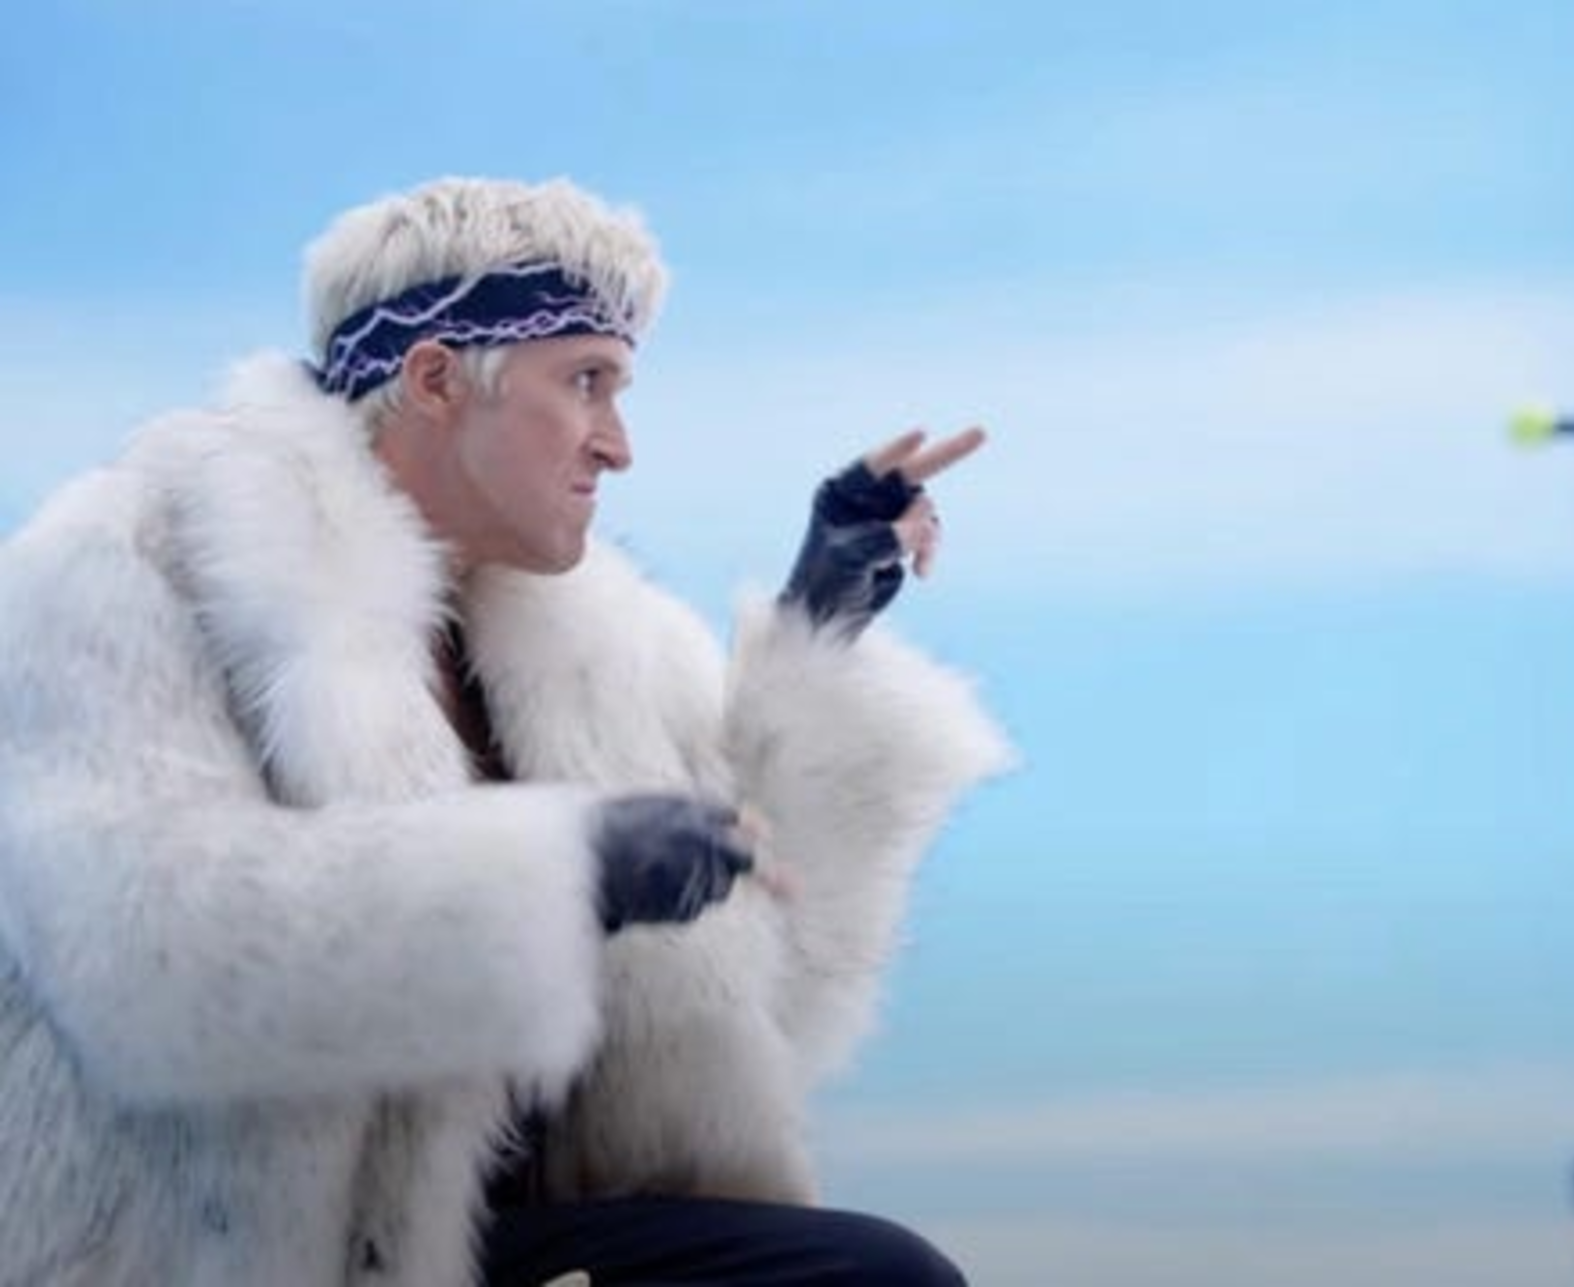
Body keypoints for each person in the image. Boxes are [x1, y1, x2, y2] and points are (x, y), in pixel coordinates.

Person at [0, 177, 1012, 1285]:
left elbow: (755, 1011)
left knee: (872, 1276)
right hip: (228, 1255)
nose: (617, 445)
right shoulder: (132, 561)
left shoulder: (603, 646)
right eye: (586, 382)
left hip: (509, 1240)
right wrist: (551, 869)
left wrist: (819, 623)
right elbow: (144, 949)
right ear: (437, 379)